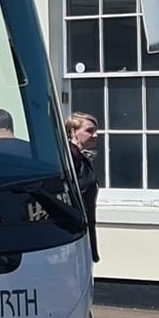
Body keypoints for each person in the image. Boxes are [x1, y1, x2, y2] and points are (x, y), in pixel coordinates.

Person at [66, 112, 101, 263]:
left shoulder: (81, 157)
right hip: (74, 227)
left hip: (85, 224)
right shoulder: (70, 157)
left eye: (95, 131)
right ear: (74, 132)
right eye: (89, 130)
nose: (95, 135)